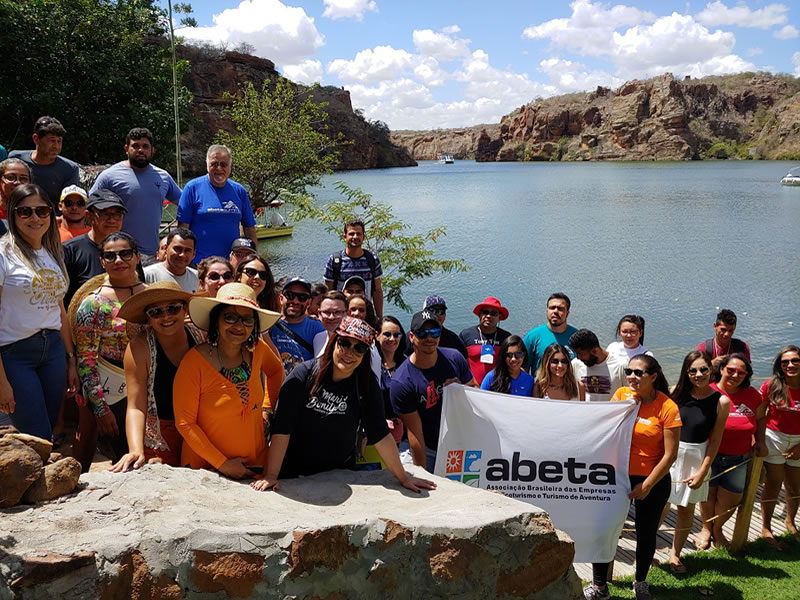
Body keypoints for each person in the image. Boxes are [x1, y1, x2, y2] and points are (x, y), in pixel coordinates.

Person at [251, 317, 436, 494]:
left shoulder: (366, 383)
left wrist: (403, 478)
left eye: (359, 348)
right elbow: (282, 428)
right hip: (294, 471)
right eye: (345, 344)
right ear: (334, 342)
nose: (350, 353)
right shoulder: (304, 375)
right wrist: (271, 475)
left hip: (340, 474)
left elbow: (379, 432)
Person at [585, 355, 680, 600]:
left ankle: (640, 582)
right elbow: (606, 432)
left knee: (646, 532)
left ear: (653, 377)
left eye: (639, 373)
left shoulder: (668, 407)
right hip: (618, 476)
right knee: (605, 529)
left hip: (653, 480)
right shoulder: (621, 396)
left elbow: (670, 456)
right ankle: (599, 587)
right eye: (629, 371)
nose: (632, 377)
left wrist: (646, 485)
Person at [173, 283, 282, 477]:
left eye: (247, 320)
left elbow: (275, 371)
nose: (239, 326)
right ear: (216, 320)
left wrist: (267, 409)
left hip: (255, 462)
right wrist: (223, 464)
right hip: (206, 469)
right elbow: (185, 424)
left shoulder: (258, 349)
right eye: (230, 317)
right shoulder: (193, 362)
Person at [0, 184, 78, 439]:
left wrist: (70, 359)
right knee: (36, 433)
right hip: (15, 353)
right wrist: (1, 381)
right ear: (12, 214)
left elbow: (59, 309)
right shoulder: (3, 254)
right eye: (25, 212)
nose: (35, 218)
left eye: (41, 211)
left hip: (53, 349)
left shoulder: (52, 253)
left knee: (50, 426)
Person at [110, 282, 200, 470]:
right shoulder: (140, 347)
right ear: (148, 318)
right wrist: (135, 449)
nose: (166, 316)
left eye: (173, 308)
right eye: (156, 312)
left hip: (200, 430)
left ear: (184, 309)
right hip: (160, 437)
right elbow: (136, 405)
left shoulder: (201, 336)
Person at [74, 232, 146, 465]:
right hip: (114, 393)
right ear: (101, 262)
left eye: (125, 254)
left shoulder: (152, 294)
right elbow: (86, 359)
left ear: (137, 257)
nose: (118, 260)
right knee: (128, 456)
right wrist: (100, 409)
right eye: (110, 256)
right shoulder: (93, 304)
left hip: (150, 387)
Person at [667, 351, 730, 572]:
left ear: (711, 369)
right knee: (660, 508)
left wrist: (703, 471)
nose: (698, 374)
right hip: (670, 455)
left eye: (703, 369)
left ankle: (675, 555)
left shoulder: (720, 401)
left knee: (686, 510)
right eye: (692, 370)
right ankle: (645, 552)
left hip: (696, 458)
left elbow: (715, 441)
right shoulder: (676, 392)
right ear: (686, 372)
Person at [390, 310, 477, 471]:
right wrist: (423, 475)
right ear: (411, 337)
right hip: (426, 446)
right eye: (422, 333)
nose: (429, 338)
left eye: (434, 332)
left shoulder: (455, 358)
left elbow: (475, 391)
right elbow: (415, 433)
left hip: (458, 443)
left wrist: (461, 389)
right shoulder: (402, 382)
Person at [696, 353, 766, 550]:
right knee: (708, 495)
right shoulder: (707, 391)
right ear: (721, 370)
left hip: (739, 457)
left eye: (741, 372)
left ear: (746, 375)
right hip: (709, 455)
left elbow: (760, 418)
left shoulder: (753, 395)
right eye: (731, 370)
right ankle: (706, 529)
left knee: (732, 498)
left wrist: (760, 440)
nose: (735, 375)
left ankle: (717, 529)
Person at [90, 127, 181, 257]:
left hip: (151, 254)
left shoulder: (163, 177)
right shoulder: (109, 176)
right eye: (136, 146)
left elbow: (185, 203)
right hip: (119, 254)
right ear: (126, 148)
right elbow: (90, 206)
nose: (140, 150)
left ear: (152, 150)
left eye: (145, 146)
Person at [176, 144, 257, 262]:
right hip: (198, 264)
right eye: (214, 164)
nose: (219, 168)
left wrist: (254, 260)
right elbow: (182, 231)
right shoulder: (192, 188)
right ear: (207, 165)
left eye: (223, 165)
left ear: (230, 166)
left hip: (230, 265)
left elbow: (250, 230)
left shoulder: (239, 191)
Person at [63, 189, 142, 307]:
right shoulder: (70, 251)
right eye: (105, 214)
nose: (112, 220)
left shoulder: (129, 248)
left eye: (117, 214)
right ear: (88, 216)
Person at [760, 345, 800, 547]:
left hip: (799, 441)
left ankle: (790, 520)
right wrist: (758, 440)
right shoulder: (771, 386)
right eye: (785, 362)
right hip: (774, 439)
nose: (790, 365)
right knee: (773, 484)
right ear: (779, 365)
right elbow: (759, 414)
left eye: (795, 360)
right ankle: (766, 528)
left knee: (795, 487)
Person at [9, 117, 79, 205]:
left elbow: (69, 205)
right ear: (36, 139)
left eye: (59, 141)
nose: (56, 146)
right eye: (52, 140)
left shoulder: (70, 169)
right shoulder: (16, 160)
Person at [324, 218, 384, 318]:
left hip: (365, 316)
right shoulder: (335, 260)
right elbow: (328, 292)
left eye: (358, 234)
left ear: (364, 237)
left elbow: (377, 290)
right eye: (351, 234)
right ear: (345, 237)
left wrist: (379, 318)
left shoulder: (372, 259)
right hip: (341, 317)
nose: (355, 237)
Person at [269, 277, 325, 374]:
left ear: (309, 302)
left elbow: (321, 364)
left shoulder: (317, 328)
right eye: (290, 295)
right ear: (281, 298)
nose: (295, 301)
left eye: (302, 297)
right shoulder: (269, 325)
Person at [459, 297, 512, 385]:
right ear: (480, 314)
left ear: (499, 317)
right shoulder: (466, 335)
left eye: (493, 313)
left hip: (497, 388)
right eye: (485, 312)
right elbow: (459, 362)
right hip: (471, 387)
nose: (488, 316)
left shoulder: (506, 338)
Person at [523, 293, 578, 371]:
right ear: (547, 311)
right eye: (552, 308)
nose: (555, 311)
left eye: (560, 308)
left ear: (567, 313)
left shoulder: (577, 337)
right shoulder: (532, 337)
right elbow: (523, 369)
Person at [569, 329, 626, 402]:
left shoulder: (621, 365)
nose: (578, 357)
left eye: (580, 354)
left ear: (595, 351)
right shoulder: (575, 364)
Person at [377, 316, 407, 444]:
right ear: (377, 336)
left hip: (406, 433)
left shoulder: (407, 363)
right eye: (387, 334)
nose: (392, 339)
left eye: (396, 335)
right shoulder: (371, 365)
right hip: (379, 432)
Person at [143, 227, 198, 293]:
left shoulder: (197, 278)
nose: (182, 255)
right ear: (166, 249)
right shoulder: (147, 275)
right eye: (177, 249)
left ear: (193, 254)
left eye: (187, 250)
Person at [312, 290, 347, 356]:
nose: (331, 317)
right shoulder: (317, 339)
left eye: (337, 312)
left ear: (346, 314)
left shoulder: (356, 343)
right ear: (319, 313)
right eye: (327, 312)